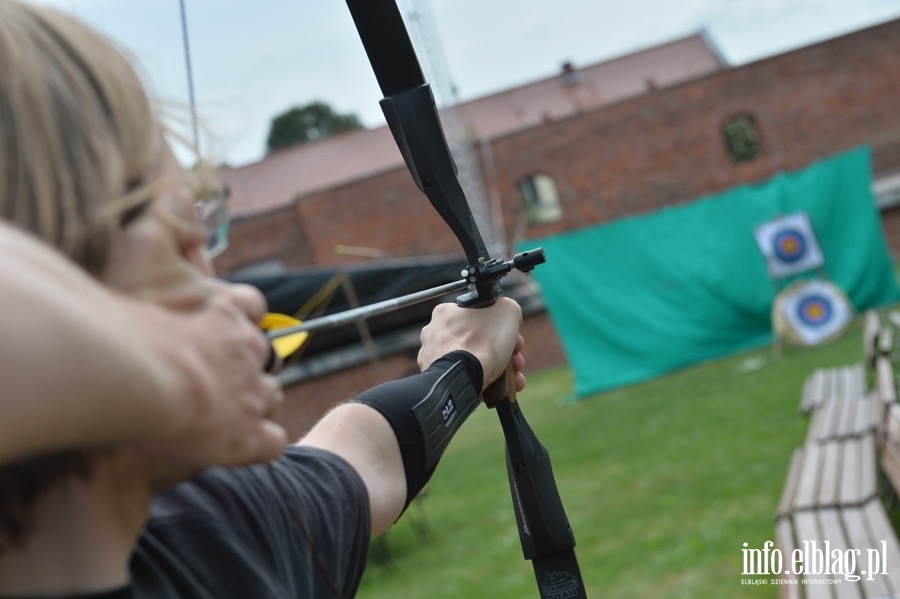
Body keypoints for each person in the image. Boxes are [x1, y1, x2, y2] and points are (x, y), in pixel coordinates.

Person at [0, 2, 526, 598]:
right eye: (181, 234)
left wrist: (461, 358)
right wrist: (177, 371)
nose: (242, 297)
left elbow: (369, 456)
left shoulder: (220, 534)